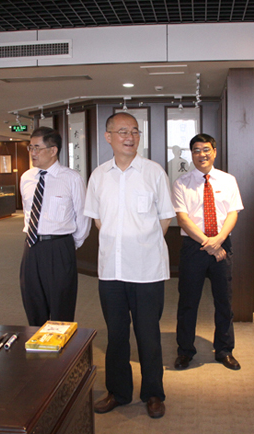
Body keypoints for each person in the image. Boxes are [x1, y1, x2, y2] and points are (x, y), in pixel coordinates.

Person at [84, 112, 175, 419]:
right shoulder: (99, 176)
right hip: (111, 270)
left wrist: (142, 244)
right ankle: (118, 392)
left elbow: (165, 218)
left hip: (147, 270)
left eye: (135, 131)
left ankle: (153, 393)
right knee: (116, 335)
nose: (130, 137)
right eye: (122, 131)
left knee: (148, 335)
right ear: (108, 137)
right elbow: (98, 220)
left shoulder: (153, 172)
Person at [172, 133, 244, 371]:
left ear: (214, 152)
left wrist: (219, 241)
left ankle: (224, 350)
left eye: (206, 150)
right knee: (188, 302)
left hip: (222, 244)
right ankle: (185, 351)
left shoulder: (228, 180)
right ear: (191, 154)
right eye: (196, 150)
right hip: (194, 247)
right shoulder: (181, 183)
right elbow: (183, 219)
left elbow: (233, 213)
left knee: (224, 301)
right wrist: (209, 244)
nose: (201, 154)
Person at [19, 127, 90, 327]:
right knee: (33, 303)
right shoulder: (26, 177)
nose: (33, 153)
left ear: (53, 150)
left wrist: (69, 245)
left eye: (37, 148)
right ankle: (38, 343)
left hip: (59, 247)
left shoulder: (71, 178)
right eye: (30, 147)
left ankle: (62, 346)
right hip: (31, 247)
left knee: (61, 306)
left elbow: (82, 217)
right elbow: (27, 213)